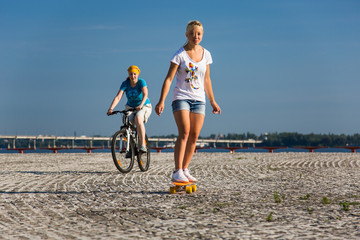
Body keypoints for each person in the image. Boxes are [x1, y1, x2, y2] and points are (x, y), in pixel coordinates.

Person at [155, 20, 221, 183]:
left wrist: (212, 101)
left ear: (202, 35)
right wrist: (161, 100)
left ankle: (184, 169)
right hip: (181, 97)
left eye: (198, 33)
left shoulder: (206, 54)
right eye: (192, 33)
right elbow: (169, 79)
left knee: (194, 136)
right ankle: (177, 171)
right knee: (184, 132)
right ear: (186, 35)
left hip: (199, 99)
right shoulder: (179, 55)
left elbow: (207, 80)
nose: (195, 36)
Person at [107, 65, 152, 152]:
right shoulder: (125, 84)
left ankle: (142, 144)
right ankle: (130, 147)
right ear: (129, 75)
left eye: (135, 74)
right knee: (126, 124)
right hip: (130, 107)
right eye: (131, 74)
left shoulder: (141, 82)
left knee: (138, 118)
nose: (133, 76)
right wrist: (111, 109)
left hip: (144, 105)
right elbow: (118, 97)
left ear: (137, 74)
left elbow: (145, 94)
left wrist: (141, 105)